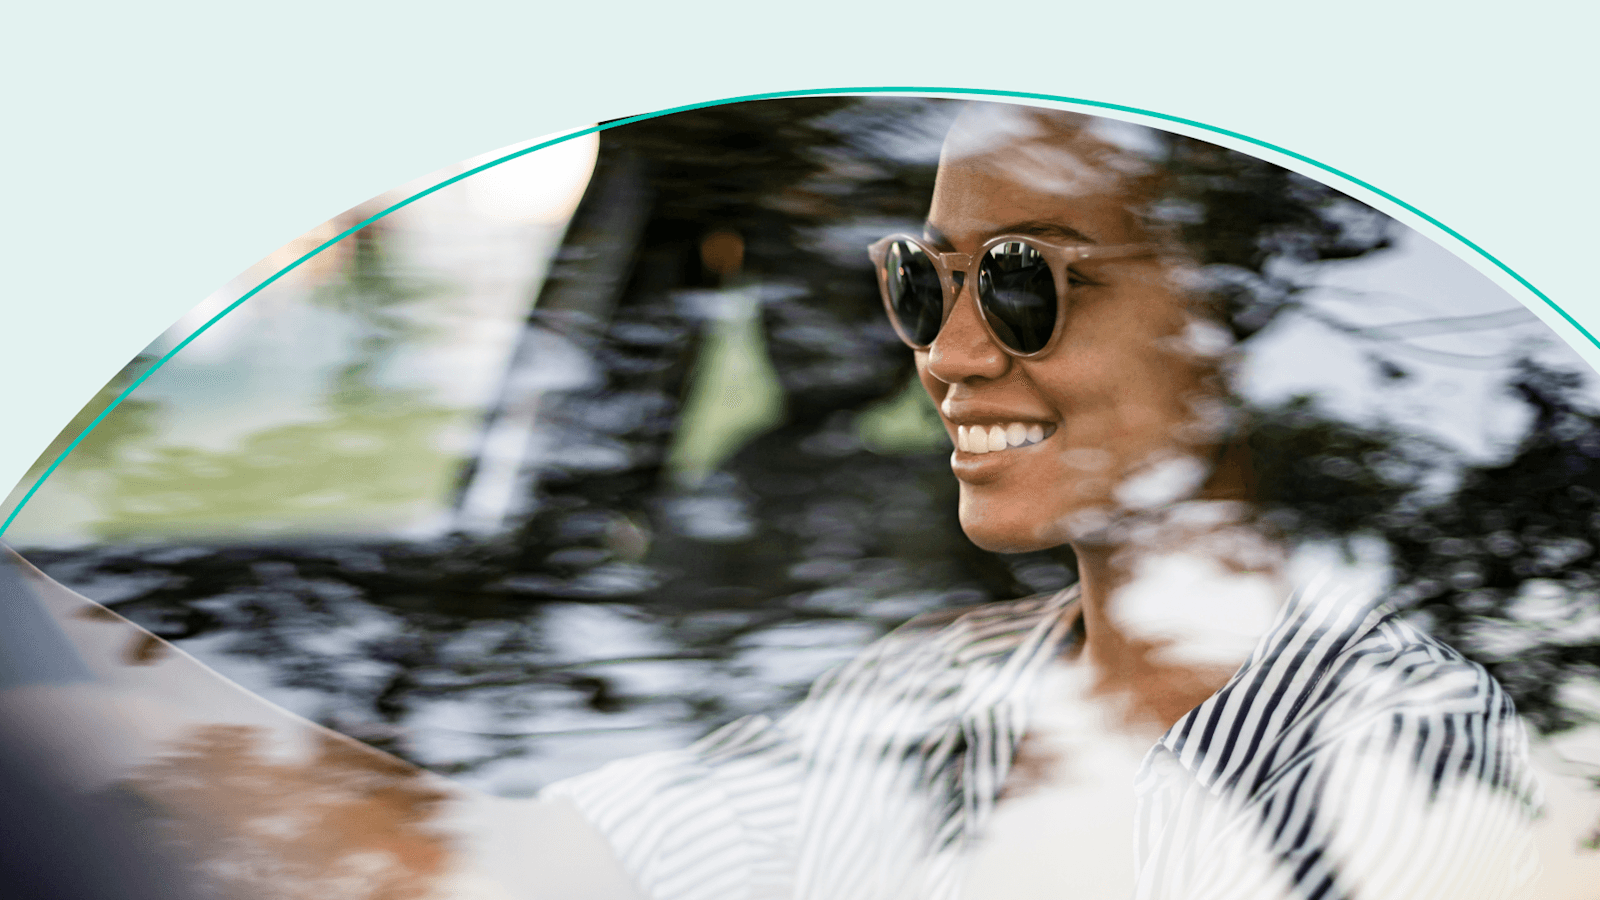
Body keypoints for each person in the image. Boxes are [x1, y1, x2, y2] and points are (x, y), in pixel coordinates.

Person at [0, 101, 1545, 900]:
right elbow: (521, 874)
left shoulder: (1404, 762)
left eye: (1023, 284)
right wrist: (64, 670)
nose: (942, 352)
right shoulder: (926, 688)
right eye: (916, 280)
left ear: (1229, 323)